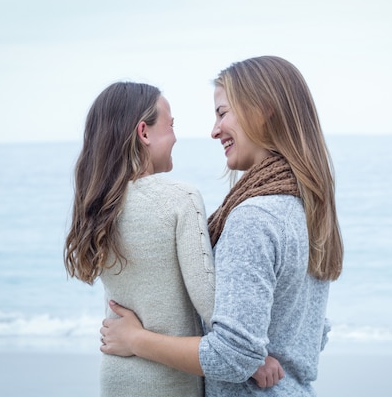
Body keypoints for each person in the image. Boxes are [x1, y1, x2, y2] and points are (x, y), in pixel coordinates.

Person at [100, 56, 344, 396]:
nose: (214, 130)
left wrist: (136, 339)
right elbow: (313, 332)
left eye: (222, 113)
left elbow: (234, 357)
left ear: (262, 110)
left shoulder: (254, 218)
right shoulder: (305, 208)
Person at [63, 82, 216, 396]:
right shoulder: (180, 198)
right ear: (143, 132)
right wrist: (255, 356)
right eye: (170, 125)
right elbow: (212, 305)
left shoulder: (97, 206)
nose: (175, 136)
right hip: (169, 383)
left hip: (116, 377)